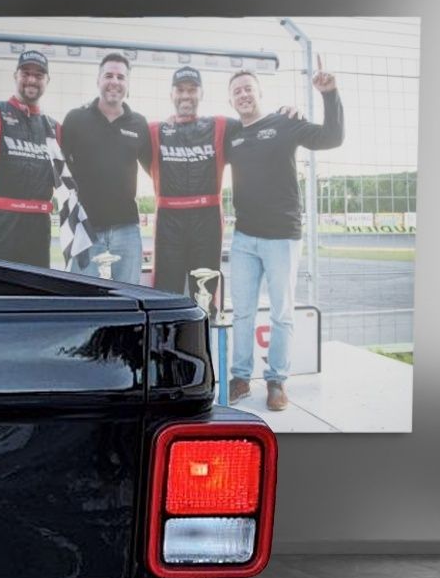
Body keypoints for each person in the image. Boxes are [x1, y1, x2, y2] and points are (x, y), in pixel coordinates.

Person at [224, 58, 345, 412]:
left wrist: (329, 94)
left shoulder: (285, 121)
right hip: (244, 238)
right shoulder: (232, 134)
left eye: (248, 88)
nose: (243, 94)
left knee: (282, 314)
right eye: (236, 91)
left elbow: (332, 138)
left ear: (260, 92)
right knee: (242, 312)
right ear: (231, 101)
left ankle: (277, 381)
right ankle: (241, 377)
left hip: (282, 237)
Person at [59, 52, 149, 282]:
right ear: (98, 80)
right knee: (84, 302)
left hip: (127, 230)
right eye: (109, 75)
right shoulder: (76, 119)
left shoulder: (139, 123)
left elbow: (155, 169)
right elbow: (60, 170)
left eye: (121, 77)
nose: (115, 82)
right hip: (85, 229)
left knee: (129, 302)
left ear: (127, 84)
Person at [0, 50, 60, 269]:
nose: (31, 79)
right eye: (25, 73)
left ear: (47, 81)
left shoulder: (55, 128)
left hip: (39, 230)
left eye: (39, 75)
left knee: (36, 296)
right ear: (15, 76)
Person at [146, 67, 228, 298]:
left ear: (202, 94)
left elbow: (253, 125)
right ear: (171, 94)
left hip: (208, 222)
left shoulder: (220, 126)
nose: (186, 95)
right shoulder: (154, 130)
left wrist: (285, 112)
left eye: (192, 90)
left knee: (205, 294)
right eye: (180, 90)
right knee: (165, 293)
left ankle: (206, 332)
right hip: (168, 223)